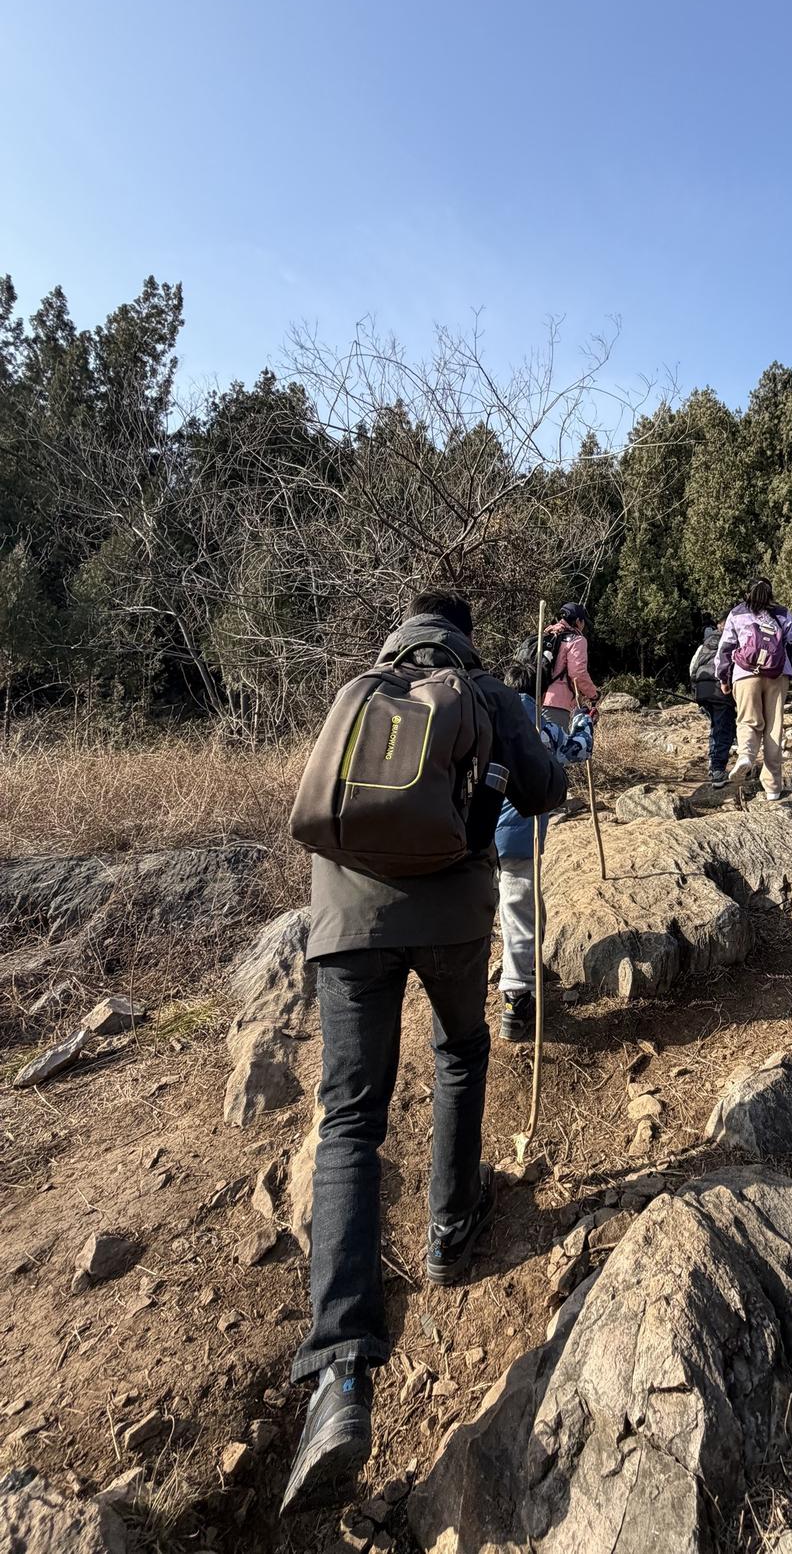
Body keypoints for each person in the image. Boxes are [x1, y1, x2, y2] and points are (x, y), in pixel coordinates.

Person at [282, 590, 568, 1516]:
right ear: (465, 634)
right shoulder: (487, 694)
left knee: (351, 1121)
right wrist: (548, 743)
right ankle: (451, 1230)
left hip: (346, 923)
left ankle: (338, 1376)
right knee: (459, 1052)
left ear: (402, 630)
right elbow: (543, 793)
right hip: (452, 917)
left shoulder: (360, 689)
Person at [494, 661, 594, 1041]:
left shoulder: (487, 716)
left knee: (512, 909)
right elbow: (578, 749)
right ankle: (516, 1002)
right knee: (521, 913)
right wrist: (584, 720)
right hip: (520, 836)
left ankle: (518, 979)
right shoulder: (538, 725)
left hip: (478, 837)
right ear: (537, 693)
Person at [716, 578, 792, 801]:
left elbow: (725, 648)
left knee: (748, 721)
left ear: (747, 593)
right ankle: (773, 788)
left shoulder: (737, 613)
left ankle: (746, 757)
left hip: (745, 674)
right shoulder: (782, 613)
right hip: (777, 674)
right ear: (770, 594)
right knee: (773, 728)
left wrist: (724, 677)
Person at [689, 618, 736, 786]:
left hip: (702, 692)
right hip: (720, 690)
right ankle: (717, 771)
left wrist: (696, 691)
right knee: (723, 729)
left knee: (717, 727)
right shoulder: (732, 641)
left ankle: (714, 763)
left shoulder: (705, 644)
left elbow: (693, 668)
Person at [542, 602, 598, 728]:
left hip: (532, 700)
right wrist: (593, 694)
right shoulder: (577, 640)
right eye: (583, 623)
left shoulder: (545, 636)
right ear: (578, 621)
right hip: (557, 704)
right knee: (554, 745)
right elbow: (578, 673)